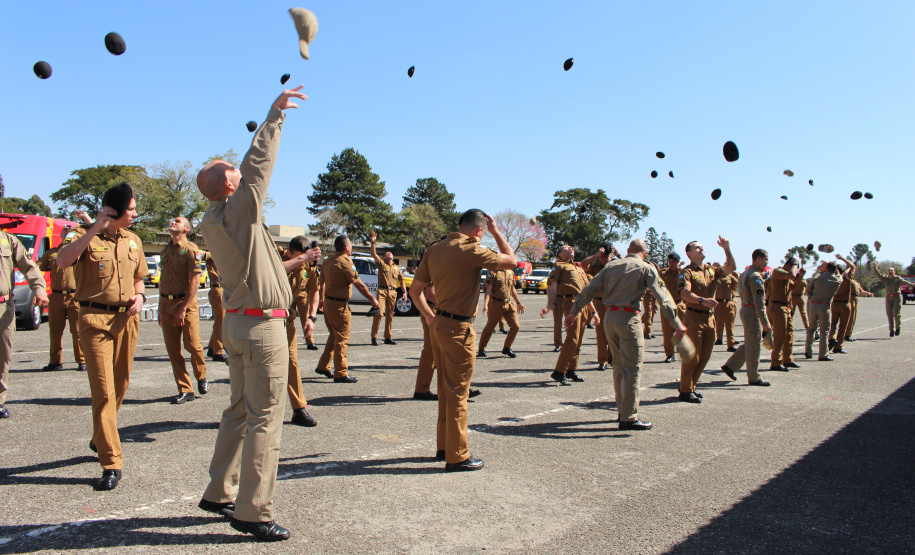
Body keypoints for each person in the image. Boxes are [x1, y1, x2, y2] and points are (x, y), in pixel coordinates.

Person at [196, 87, 319, 541]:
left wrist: (296, 265)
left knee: (237, 412)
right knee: (266, 418)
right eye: (234, 174)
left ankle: (218, 491)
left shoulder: (216, 221)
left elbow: (262, 269)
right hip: (262, 326)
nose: (240, 175)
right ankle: (253, 511)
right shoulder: (241, 210)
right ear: (231, 186)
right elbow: (258, 166)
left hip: (238, 321)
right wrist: (274, 117)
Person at [56, 182, 147, 490]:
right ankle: (111, 462)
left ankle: (100, 435)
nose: (135, 214)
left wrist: (140, 296)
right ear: (115, 211)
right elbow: (62, 261)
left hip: (127, 321)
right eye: (132, 209)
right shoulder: (84, 238)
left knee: (120, 385)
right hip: (95, 320)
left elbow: (139, 279)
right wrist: (94, 226)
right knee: (104, 392)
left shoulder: (133, 240)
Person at [409, 209, 515, 471]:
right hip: (457, 328)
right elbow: (512, 261)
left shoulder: (435, 249)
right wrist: (497, 232)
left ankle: (444, 446)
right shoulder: (471, 249)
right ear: (479, 230)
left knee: (446, 390)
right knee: (458, 393)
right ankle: (457, 456)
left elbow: (415, 290)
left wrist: (431, 317)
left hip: (439, 324)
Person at [565, 239, 686, 430]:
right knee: (632, 368)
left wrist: (573, 311)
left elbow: (589, 289)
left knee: (619, 367)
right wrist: (676, 322)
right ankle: (629, 417)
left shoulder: (611, 266)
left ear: (628, 250)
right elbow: (663, 296)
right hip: (629, 319)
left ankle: (623, 410)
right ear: (644, 254)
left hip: (610, 318)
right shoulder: (645, 267)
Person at [678, 237, 736, 403]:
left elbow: (731, 267)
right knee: (692, 357)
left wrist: (726, 248)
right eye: (697, 248)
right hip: (693, 317)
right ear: (689, 254)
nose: (701, 249)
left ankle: (690, 386)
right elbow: (684, 293)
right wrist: (702, 300)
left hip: (709, 319)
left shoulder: (711, 271)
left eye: (702, 247)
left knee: (704, 356)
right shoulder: (687, 272)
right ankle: (685, 390)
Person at [315, 235, 379, 383]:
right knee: (342, 339)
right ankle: (341, 372)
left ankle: (323, 366)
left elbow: (321, 281)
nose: (351, 247)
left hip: (329, 303)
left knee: (334, 335)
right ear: (346, 247)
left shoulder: (327, 261)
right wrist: (372, 299)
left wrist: (320, 299)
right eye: (350, 245)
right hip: (339, 306)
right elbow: (360, 285)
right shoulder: (345, 262)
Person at [158, 217, 208, 404]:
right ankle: (185, 389)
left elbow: (195, 282)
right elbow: (163, 280)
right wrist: (159, 308)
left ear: (186, 229)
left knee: (193, 346)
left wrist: (183, 308)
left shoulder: (191, 250)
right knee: (173, 350)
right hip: (166, 305)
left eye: (177, 221)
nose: (172, 222)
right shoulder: (165, 250)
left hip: (185, 304)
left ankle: (201, 376)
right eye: (172, 220)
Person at [0, 231, 48, 419]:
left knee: (3, 354)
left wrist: (39, 289)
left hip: (3, 306)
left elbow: (30, 267)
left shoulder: (7, 239)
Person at [541, 245, 598, 386]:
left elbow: (586, 292)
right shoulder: (558, 266)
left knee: (577, 340)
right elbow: (552, 285)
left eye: (571, 247)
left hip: (582, 303)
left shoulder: (579, 269)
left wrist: (594, 312)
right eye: (566, 247)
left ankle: (571, 369)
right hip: (571, 302)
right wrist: (550, 304)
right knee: (572, 338)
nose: (571, 248)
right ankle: (559, 371)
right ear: (560, 253)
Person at [279, 236, 320, 427]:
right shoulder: (275, 258)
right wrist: (300, 259)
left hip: (286, 321)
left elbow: (314, 290)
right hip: (264, 321)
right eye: (298, 258)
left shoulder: (309, 266)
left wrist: (311, 317)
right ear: (289, 252)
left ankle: (298, 409)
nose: (301, 263)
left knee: (292, 362)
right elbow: (274, 273)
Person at [720, 249, 772, 387]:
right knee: (754, 346)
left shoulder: (745, 273)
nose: (767, 262)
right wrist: (765, 323)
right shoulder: (755, 276)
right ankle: (754, 377)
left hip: (746, 308)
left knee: (750, 341)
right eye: (765, 259)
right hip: (752, 311)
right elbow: (759, 302)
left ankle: (731, 366)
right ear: (758, 259)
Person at [38, 225, 86, 372]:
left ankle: (82, 361)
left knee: (78, 331)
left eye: (70, 229)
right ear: (59, 234)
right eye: (64, 229)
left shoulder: (80, 252)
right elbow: (36, 268)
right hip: (56, 296)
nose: (67, 231)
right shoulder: (51, 253)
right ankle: (55, 361)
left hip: (74, 296)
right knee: (55, 331)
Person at [581, 245, 617, 370]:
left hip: (614, 303)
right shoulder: (596, 268)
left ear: (611, 257)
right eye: (602, 257)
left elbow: (629, 266)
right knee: (601, 333)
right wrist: (596, 255)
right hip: (600, 303)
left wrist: (618, 255)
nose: (604, 259)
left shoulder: (616, 267)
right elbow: (583, 265)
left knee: (614, 332)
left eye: (607, 257)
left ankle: (611, 357)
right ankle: (602, 361)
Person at [477, 264, 525, 357]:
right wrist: (485, 305)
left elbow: (513, 289)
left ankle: (507, 348)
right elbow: (488, 290)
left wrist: (518, 302)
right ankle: (481, 349)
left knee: (515, 326)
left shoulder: (510, 272)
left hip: (509, 304)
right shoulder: (492, 272)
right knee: (490, 327)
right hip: (496, 304)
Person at [766, 258, 805, 371]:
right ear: (788, 264)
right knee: (780, 334)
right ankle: (776, 362)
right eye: (794, 265)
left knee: (789, 334)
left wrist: (801, 276)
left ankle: (788, 359)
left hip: (786, 307)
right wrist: (795, 265)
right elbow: (792, 275)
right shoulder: (779, 272)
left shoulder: (787, 276)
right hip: (777, 306)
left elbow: (794, 287)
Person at [369, 231, 407, 346]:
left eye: (390, 252)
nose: (389, 253)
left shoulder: (397, 268)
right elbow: (374, 254)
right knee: (379, 314)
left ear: (393, 256)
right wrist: (373, 242)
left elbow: (401, 280)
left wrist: (405, 292)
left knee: (390, 315)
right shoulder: (381, 264)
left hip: (393, 292)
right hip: (382, 291)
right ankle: (374, 336)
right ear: (384, 257)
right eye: (387, 253)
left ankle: (387, 337)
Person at [804, 260, 843, 361]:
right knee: (824, 331)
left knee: (811, 328)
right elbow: (840, 278)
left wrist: (812, 297)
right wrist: (837, 271)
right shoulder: (836, 280)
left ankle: (808, 350)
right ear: (835, 270)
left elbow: (808, 288)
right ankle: (823, 354)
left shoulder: (818, 278)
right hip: (825, 305)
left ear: (826, 268)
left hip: (813, 304)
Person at [872, 261, 914, 337]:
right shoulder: (885, 279)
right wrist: (875, 267)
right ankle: (891, 330)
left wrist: (913, 285)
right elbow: (878, 274)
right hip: (889, 298)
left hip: (897, 297)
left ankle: (898, 328)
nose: (890, 272)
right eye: (889, 270)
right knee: (889, 314)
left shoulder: (898, 279)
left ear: (894, 272)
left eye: (891, 270)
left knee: (896, 313)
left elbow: (906, 283)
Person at [658, 253, 684, 363]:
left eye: (673, 262)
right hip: (667, 305)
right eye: (669, 261)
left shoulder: (682, 273)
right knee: (667, 332)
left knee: (681, 331)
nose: (671, 264)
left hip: (679, 304)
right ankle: (670, 354)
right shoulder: (664, 273)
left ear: (678, 262)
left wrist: (680, 272)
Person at [202, 251, 228, 363]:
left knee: (221, 321)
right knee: (220, 322)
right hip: (217, 289)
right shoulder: (214, 253)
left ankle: (212, 347)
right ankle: (217, 351)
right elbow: (202, 255)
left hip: (224, 289)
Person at [828, 255, 856, 354]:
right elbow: (852, 266)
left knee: (833, 324)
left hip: (835, 303)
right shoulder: (845, 278)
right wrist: (842, 258)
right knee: (842, 326)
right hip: (845, 303)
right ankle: (838, 346)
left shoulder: (832, 278)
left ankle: (832, 338)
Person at [713, 263, 740, 352]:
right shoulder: (715, 278)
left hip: (728, 303)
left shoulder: (730, 277)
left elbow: (737, 283)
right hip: (718, 303)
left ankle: (730, 344)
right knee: (719, 322)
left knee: (730, 324)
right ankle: (719, 338)